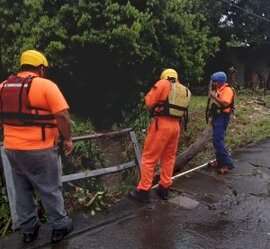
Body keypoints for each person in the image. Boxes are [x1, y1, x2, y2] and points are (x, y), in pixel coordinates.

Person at [0, 50, 73, 243]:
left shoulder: (3, 87)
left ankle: (28, 230)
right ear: (40, 68)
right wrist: (67, 139)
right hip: (40, 148)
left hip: (12, 149)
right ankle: (59, 226)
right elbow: (63, 116)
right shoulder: (45, 85)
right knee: (49, 188)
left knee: (22, 189)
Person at [129, 68, 191, 203]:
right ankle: (164, 188)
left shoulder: (163, 84)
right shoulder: (184, 90)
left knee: (149, 158)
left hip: (161, 125)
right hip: (176, 127)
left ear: (164, 76)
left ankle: (143, 191)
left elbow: (148, 101)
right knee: (168, 158)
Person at [208, 71, 235, 174]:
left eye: (215, 81)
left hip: (223, 117)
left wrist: (214, 96)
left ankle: (227, 164)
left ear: (220, 81)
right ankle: (219, 161)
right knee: (216, 140)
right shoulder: (219, 89)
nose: (213, 83)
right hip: (217, 116)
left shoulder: (227, 90)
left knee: (218, 141)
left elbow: (225, 103)